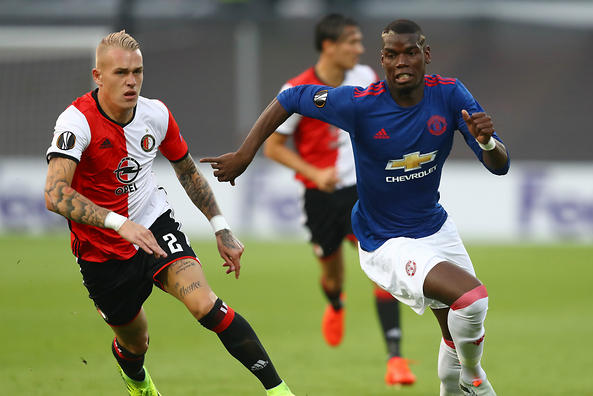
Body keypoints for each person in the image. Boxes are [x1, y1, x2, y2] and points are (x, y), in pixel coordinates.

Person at [202, 19, 509, 396]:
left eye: (410, 53)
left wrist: (489, 143)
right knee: (472, 299)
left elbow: (499, 165)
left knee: (453, 329)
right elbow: (290, 98)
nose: (402, 62)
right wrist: (244, 155)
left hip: (435, 229)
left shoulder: (451, 95)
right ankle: (475, 378)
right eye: (392, 55)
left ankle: (457, 380)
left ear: (425, 55)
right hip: (385, 242)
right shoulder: (360, 104)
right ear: (383, 60)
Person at [43, 31, 294, 396]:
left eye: (137, 72)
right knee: (135, 343)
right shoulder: (76, 121)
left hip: (154, 224)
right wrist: (119, 223)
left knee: (205, 304)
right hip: (102, 249)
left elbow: (188, 173)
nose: (131, 81)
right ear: (98, 77)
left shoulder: (155, 114)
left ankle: (279, 390)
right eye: (120, 73)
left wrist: (221, 228)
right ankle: (137, 380)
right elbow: (54, 194)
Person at [262, 13, 415, 385]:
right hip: (321, 197)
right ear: (329, 46)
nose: (361, 50)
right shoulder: (296, 88)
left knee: (384, 268)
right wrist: (314, 173)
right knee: (332, 275)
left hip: (364, 193)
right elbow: (273, 146)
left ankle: (395, 359)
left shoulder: (364, 77)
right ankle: (335, 303)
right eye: (353, 42)